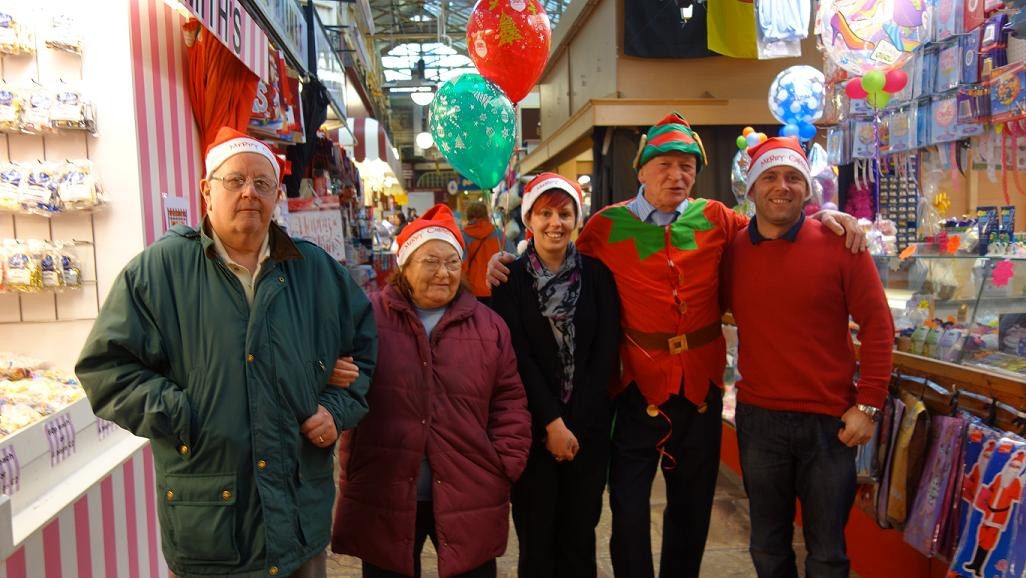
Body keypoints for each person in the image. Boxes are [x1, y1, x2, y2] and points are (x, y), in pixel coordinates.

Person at [487, 112, 865, 578]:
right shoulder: (605, 227)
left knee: (691, 507)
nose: (677, 174)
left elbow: (772, 226)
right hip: (635, 387)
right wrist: (507, 261)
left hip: (701, 387)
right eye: (664, 163)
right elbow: (554, 253)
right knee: (627, 507)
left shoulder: (718, 219)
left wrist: (825, 215)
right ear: (641, 170)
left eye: (687, 165)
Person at [75, 126, 377, 578]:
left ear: (277, 195)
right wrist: (183, 414)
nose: (249, 193)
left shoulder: (315, 271)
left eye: (262, 183)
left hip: (298, 515)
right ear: (206, 192)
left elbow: (364, 352)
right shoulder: (161, 271)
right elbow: (106, 368)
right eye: (235, 181)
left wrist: (335, 408)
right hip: (210, 523)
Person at [721, 136, 894, 578]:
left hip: (829, 423)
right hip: (760, 421)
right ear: (753, 187)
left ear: (808, 188)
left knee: (828, 552)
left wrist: (868, 405)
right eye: (771, 177)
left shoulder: (842, 244)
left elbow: (878, 326)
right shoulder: (732, 251)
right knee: (767, 546)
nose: (782, 186)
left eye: (793, 177)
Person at [332, 204, 531, 578]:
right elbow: (342, 385)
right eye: (430, 261)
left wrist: (505, 463)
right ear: (404, 266)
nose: (444, 272)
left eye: (452, 262)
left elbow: (510, 402)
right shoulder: (367, 319)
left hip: (470, 490)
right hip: (385, 490)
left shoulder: (489, 327)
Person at [489, 173, 621, 578]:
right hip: (530, 431)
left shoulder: (599, 276)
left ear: (576, 220)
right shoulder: (508, 280)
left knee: (580, 538)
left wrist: (573, 425)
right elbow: (517, 359)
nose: (555, 223)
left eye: (564, 213)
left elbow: (605, 353)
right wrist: (551, 422)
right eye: (545, 213)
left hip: (587, 431)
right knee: (537, 541)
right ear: (529, 219)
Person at [462, 201, 509, 305]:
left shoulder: (463, 237)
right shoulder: (499, 235)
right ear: (485, 215)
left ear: (469, 216)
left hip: (473, 293)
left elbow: (462, 269)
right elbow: (513, 259)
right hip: (497, 288)